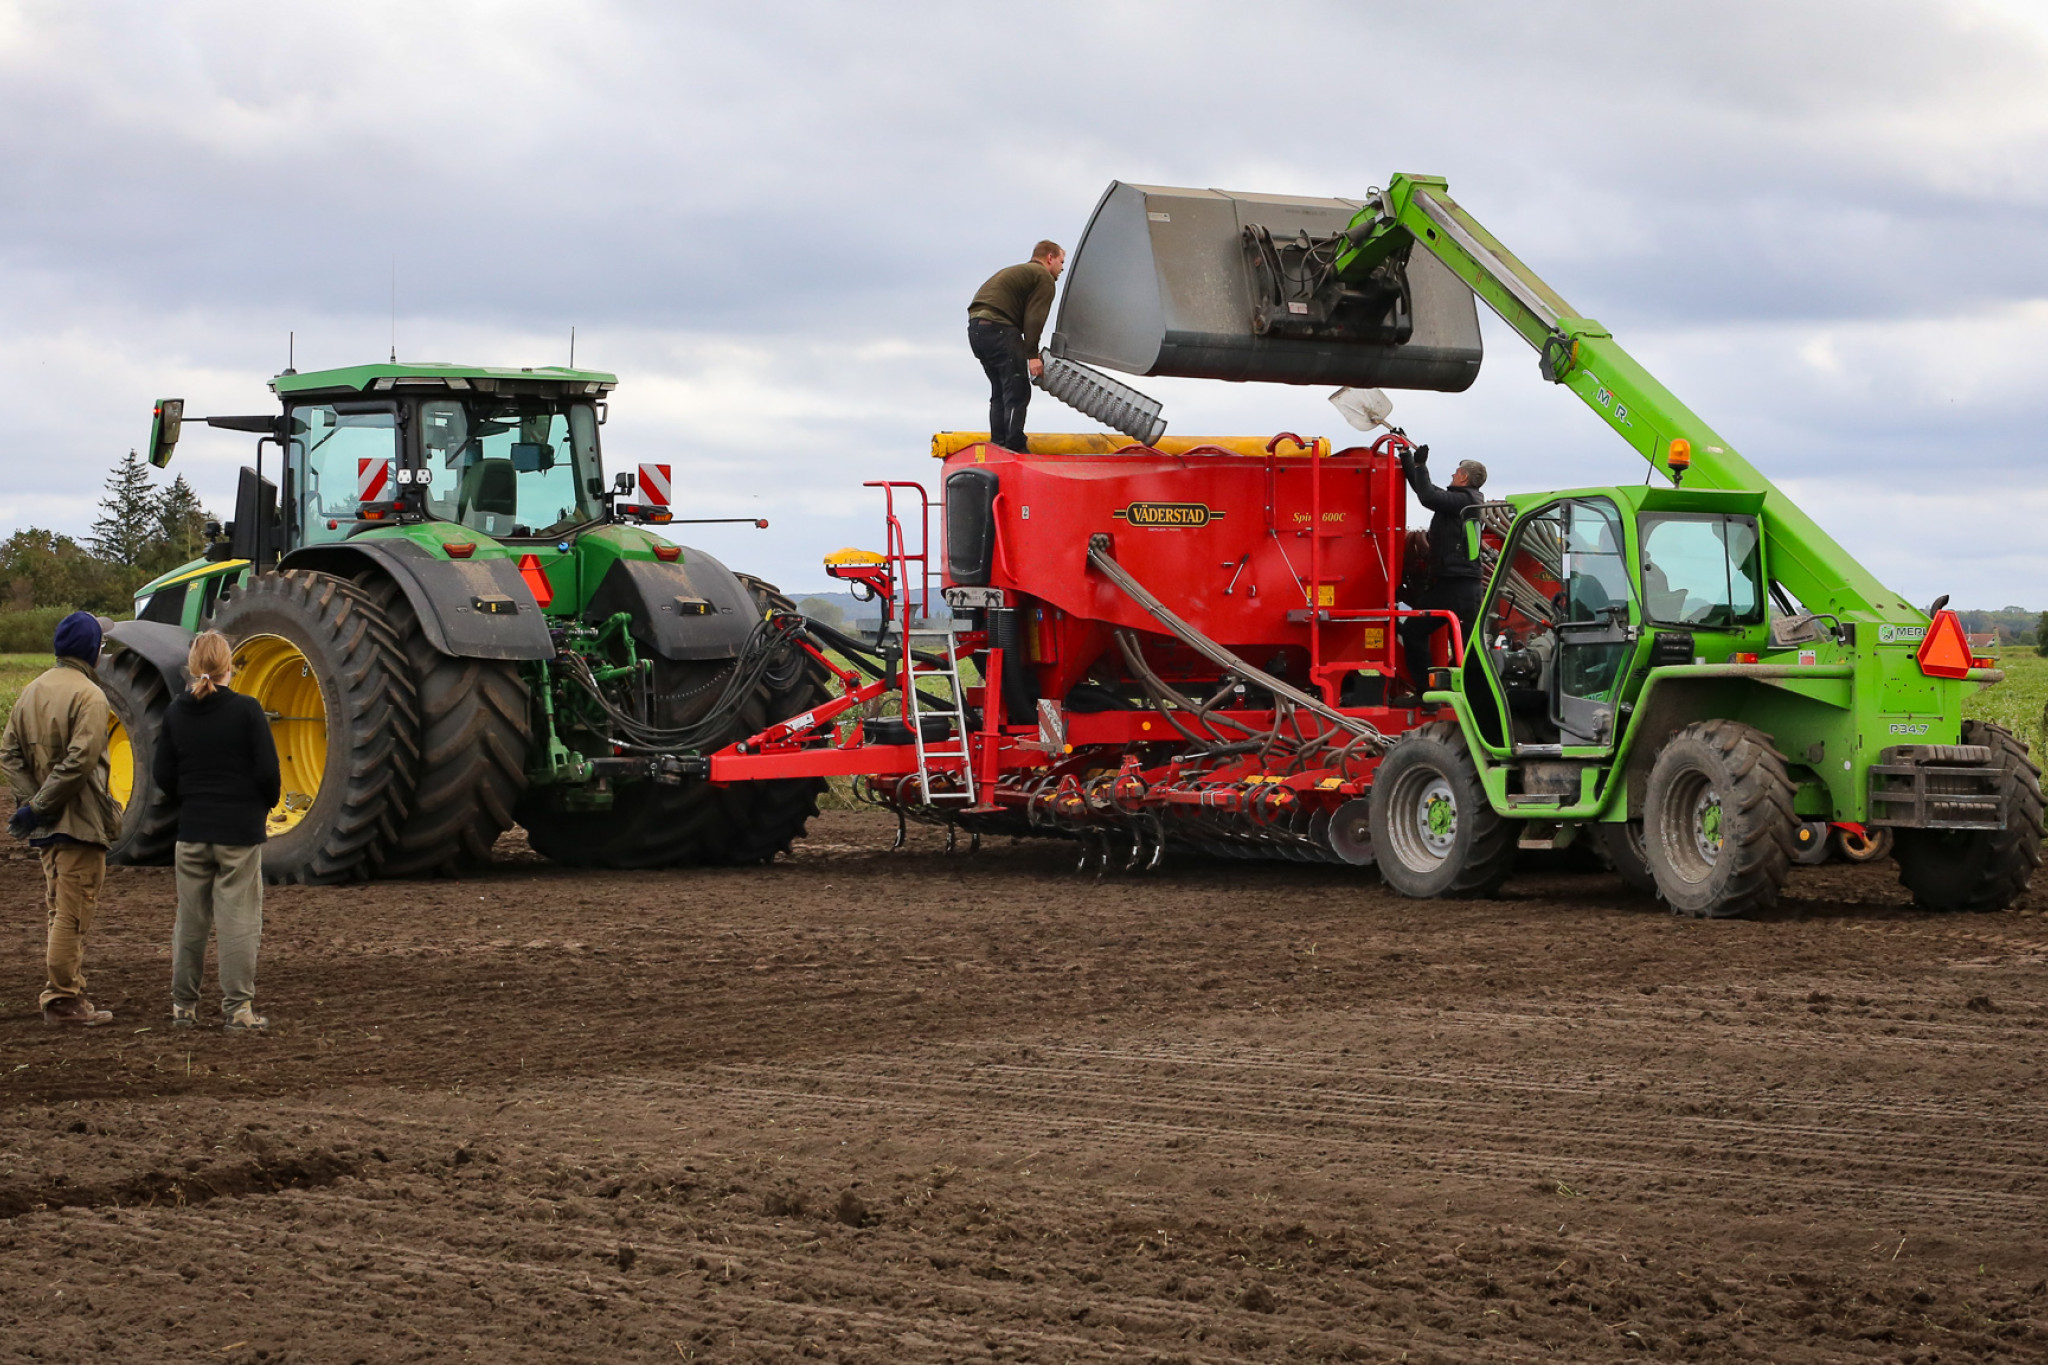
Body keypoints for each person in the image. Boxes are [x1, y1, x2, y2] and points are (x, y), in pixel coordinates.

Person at [151, 630, 280, 1031]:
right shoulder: (247, 710)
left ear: (193, 667)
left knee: (190, 921)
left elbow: (162, 774)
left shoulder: (175, 712)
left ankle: (183, 1007)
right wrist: (264, 804)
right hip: (238, 832)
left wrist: (189, 801)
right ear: (230, 666)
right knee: (239, 920)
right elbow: (267, 773)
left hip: (192, 831)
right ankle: (238, 1010)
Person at [3, 611, 123, 1025]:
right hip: (79, 822)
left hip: (48, 827)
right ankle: (63, 1000)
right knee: (72, 915)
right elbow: (81, 761)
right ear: (91, 649)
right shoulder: (90, 696)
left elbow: (9, 753)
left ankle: (67, 992)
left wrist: (31, 803)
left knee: (60, 909)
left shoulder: (30, 691)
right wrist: (40, 805)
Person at [1395, 447, 1488, 705]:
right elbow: (1426, 491)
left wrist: (1422, 464)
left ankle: (1477, 699)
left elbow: (1426, 496)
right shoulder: (1460, 500)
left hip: (1460, 587)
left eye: (1456, 472)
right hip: (1448, 584)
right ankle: (1429, 692)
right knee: (1415, 631)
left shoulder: (1465, 501)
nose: (1452, 474)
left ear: (1464, 478)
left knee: (1468, 649)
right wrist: (1407, 458)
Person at [967, 240, 1065, 452]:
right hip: (1000, 328)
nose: (1062, 268)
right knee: (1017, 389)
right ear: (1050, 258)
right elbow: (1034, 319)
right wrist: (1032, 356)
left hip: (976, 330)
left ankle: (999, 444)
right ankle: (1014, 445)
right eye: (1061, 261)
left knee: (1001, 389)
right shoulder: (1043, 278)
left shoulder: (1019, 271)